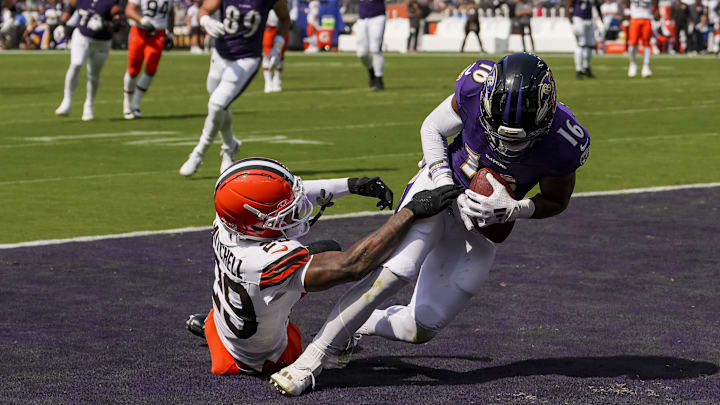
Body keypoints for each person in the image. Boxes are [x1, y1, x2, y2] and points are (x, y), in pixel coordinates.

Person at [270, 52, 591, 396]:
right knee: (396, 271)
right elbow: (433, 127)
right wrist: (441, 182)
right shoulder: (474, 86)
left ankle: (359, 325)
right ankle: (312, 360)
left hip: (483, 220)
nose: (505, 142)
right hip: (442, 185)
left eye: (519, 138)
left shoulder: (564, 141)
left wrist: (515, 210)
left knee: (420, 327)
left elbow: (556, 200)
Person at [184, 157, 463, 376]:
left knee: (319, 252)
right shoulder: (265, 262)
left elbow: (295, 193)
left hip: (227, 324)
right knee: (328, 257)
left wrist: (352, 184)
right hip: (262, 358)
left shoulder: (227, 223)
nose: (294, 208)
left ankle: (217, 322)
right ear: (253, 221)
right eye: (282, 210)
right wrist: (410, 212)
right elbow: (353, 265)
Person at [178, 0, 290, 177]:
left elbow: (285, 19)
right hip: (220, 55)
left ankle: (199, 153)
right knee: (220, 106)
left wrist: (277, 46)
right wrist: (206, 21)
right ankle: (230, 146)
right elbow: (204, 9)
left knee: (217, 105)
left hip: (246, 59)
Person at [54, 0, 123, 120]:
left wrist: (104, 24)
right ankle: (67, 101)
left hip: (101, 42)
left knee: (93, 75)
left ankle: (89, 104)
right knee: (76, 64)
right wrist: (61, 24)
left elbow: (119, 23)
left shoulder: (111, 2)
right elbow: (69, 8)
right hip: (82, 36)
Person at [122, 0, 174, 119]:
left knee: (151, 69)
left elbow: (171, 13)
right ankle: (127, 103)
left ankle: (135, 103)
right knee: (133, 69)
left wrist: (170, 33)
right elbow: (129, 10)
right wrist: (142, 20)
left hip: (158, 32)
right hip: (139, 30)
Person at [356, 0, 386, 90]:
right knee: (361, 53)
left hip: (377, 15)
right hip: (362, 18)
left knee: (375, 48)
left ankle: (379, 79)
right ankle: (371, 70)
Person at [567, 0, 602, 78]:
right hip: (578, 19)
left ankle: (587, 67)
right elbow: (568, 6)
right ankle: (579, 70)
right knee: (580, 44)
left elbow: (596, 6)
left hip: (589, 19)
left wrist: (601, 20)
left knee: (590, 45)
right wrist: (571, 23)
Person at [625, 0, 659, 77]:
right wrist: (627, 16)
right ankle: (632, 63)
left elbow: (656, 3)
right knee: (633, 43)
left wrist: (656, 10)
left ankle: (646, 66)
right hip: (635, 18)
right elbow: (627, 2)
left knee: (646, 43)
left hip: (647, 18)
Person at [262, 9, 289, 93]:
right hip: (268, 26)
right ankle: (268, 81)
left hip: (283, 25)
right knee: (267, 53)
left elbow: (292, 6)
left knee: (280, 54)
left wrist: (292, 19)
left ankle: (277, 79)